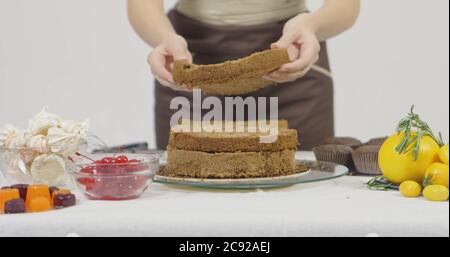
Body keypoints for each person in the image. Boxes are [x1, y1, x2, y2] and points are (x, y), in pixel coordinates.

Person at [128, 0, 360, 150]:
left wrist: (313, 26)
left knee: (300, 199)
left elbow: (347, 5)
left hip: (291, 57)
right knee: (187, 200)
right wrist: (162, 37)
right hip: (190, 63)